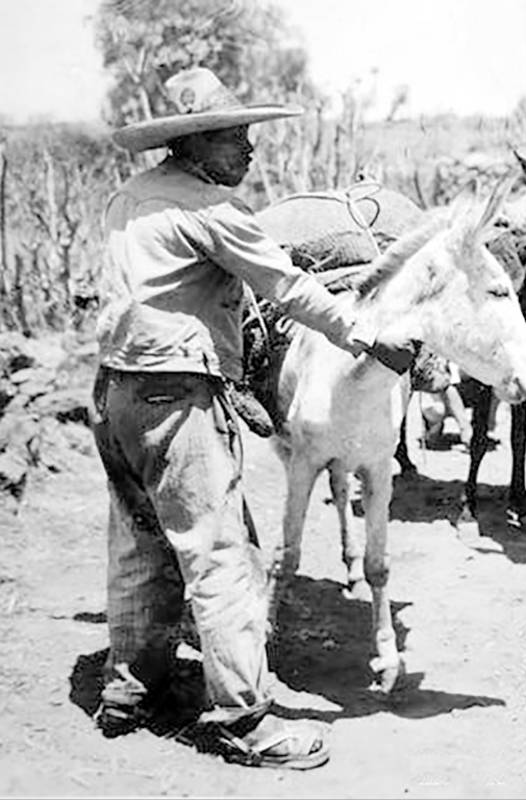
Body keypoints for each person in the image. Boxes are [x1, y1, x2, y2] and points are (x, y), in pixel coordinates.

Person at [92, 67, 417, 769]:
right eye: (236, 138)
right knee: (222, 558)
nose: (250, 151)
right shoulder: (209, 208)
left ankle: (128, 694)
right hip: (175, 396)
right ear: (196, 142)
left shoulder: (131, 197)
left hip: (115, 392)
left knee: (141, 549)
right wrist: (367, 337)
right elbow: (288, 286)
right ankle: (244, 720)